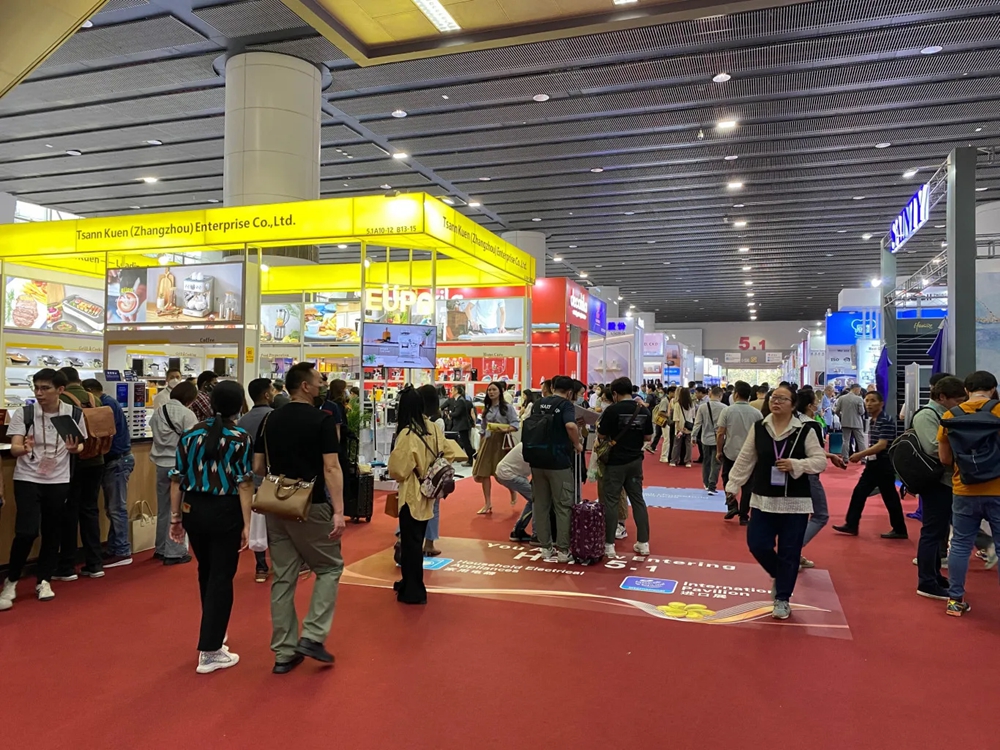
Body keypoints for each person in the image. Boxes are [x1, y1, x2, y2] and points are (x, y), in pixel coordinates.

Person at [253, 363, 345, 673]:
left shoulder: (270, 419)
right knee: (330, 567)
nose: (322, 384)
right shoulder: (322, 420)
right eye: (319, 380)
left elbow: (258, 466)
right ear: (305, 386)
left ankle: (284, 651)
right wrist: (339, 511)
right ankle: (314, 636)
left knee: (283, 576)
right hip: (310, 503)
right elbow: (331, 467)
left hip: (276, 505)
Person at [169, 380, 253, 673]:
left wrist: (175, 517)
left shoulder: (190, 435)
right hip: (225, 510)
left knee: (206, 571)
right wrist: (248, 523)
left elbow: (176, 478)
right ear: (239, 406)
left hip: (193, 508)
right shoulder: (240, 438)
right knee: (222, 575)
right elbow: (244, 483)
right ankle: (211, 648)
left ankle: (215, 629)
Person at [725, 384, 827, 620]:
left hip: (796, 502)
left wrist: (796, 465)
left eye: (782, 398)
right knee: (757, 544)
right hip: (763, 499)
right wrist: (732, 485)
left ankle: (782, 597)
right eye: (773, 397)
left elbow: (820, 461)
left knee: (790, 551)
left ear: (793, 404)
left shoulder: (806, 429)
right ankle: (780, 575)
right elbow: (746, 458)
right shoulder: (760, 427)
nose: (776, 401)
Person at [0, 369, 87, 608]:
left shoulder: (74, 413)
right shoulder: (25, 413)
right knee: (26, 531)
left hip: (58, 479)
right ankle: (11, 580)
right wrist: (23, 448)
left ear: (60, 390)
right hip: (27, 477)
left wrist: (75, 449)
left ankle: (44, 580)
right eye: (36, 387)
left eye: (45, 388)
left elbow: (80, 445)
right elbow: (15, 447)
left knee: (52, 531)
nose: (39, 393)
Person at [388, 387, 460, 604]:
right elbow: (449, 453)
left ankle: (414, 590)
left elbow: (398, 470)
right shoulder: (433, 428)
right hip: (429, 490)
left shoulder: (407, 433)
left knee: (410, 545)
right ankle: (409, 583)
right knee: (416, 541)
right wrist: (431, 470)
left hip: (411, 494)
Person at [938, 371, 1000, 616]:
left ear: (966, 390)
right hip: (997, 489)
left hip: (964, 488)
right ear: (993, 389)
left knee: (961, 545)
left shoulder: (950, 416)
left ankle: (955, 600)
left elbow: (944, 458)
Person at [910, 376, 966, 600]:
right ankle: (926, 581)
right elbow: (933, 448)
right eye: (957, 400)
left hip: (944, 480)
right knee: (932, 533)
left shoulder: (943, 414)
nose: (960, 405)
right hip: (935, 482)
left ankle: (934, 575)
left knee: (939, 531)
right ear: (942, 397)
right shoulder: (927, 415)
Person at [52, 367, 108, 580]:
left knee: (69, 512)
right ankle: (94, 563)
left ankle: (67, 565)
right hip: (97, 460)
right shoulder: (95, 399)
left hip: (72, 462)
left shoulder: (63, 400)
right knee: (90, 510)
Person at [833, 390, 907, 538]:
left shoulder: (885, 420)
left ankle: (899, 529)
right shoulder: (874, 420)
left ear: (881, 403)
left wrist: (860, 454)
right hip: (874, 464)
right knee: (864, 493)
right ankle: (852, 524)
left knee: (887, 496)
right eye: (867, 400)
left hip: (883, 464)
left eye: (873, 401)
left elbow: (881, 445)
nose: (869, 404)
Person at [526, 375, 582, 563]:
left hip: (536, 460)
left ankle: (546, 548)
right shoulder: (566, 405)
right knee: (563, 506)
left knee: (541, 505)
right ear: (570, 392)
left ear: (552, 387)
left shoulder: (538, 403)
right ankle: (563, 551)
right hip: (558, 461)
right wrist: (577, 444)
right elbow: (570, 425)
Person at [83, 378, 136, 571]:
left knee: (116, 508)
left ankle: (122, 550)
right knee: (113, 507)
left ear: (89, 390)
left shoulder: (105, 406)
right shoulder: (109, 402)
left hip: (117, 461)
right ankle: (115, 547)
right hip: (118, 460)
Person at [597, 377, 653, 557]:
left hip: (614, 462)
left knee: (611, 501)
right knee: (638, 500)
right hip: (635, 461)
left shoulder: (612, 410)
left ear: (614, 394)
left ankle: (609, 545)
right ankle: (643, 543)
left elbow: (601, 434)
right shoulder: (643, 410)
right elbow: (648, 437)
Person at [794, 388, 847, 569]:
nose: (818, 405)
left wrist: (829, 455)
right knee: (820, 515)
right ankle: (792, 551)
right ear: (810, 406)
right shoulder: (813, 425)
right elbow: (814, 453)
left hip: (793, 474)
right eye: (816, 402)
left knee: (798, 516)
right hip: (809, 475)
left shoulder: (793, 422)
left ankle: (794, 553)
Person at [149, 380, 198, 566]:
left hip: (160, 464)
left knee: (163, 508)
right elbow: (193, 442)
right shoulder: (187, 414)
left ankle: (161, 548)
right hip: (179, 465)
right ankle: (175, 551)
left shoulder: (158, 411)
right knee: (178, 509)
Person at [237, 378, 275, 582]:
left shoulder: (243, 421)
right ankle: (281, 563)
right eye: (272, 390)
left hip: (249, 478)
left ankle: (260, 566)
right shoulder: (274, 417)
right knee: (276, 525)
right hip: (272, 478)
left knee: (257, 524)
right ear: (266, 394)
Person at [716, 381, 763, 525]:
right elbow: (761, 435)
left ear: (735, 394)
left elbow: (720, 433)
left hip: (730, 452)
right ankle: (744, 515)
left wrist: (718, 450)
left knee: (728, 479)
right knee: (748, 485)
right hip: (750, 455)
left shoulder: (727, 411)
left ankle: (732, 505)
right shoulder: (757, 413)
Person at [472, 382, 519, 514]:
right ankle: (487, 503)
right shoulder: (487, 408)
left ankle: (512, 490)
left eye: (494, 389)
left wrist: (505, 429)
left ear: (500, 391)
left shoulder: (507, 407)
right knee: (484, 473)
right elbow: (483, 428)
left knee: (501, 474)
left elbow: (515, 425)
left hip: (502, 442)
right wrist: (480, 446)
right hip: (487, 442)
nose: (491, 392)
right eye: (489, 390)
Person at [417, 384, 447, 557]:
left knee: (410, 507)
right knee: (433, 507)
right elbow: (444, 449)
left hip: (414, 473)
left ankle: (402, 538)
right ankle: (429, 543)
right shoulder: (436, 424)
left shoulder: (409, 425)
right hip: (432, 473)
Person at [693, 386, 727, 494]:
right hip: (719, 439)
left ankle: (706, 483)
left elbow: (697, 423)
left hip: (705, 439)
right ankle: (712, 485)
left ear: (710, 394)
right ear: (720, 395)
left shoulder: (702, 407)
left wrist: (693, 436)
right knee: (716, 463)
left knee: (706, 462)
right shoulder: (725, 408)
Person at [500, 443, 535, 543]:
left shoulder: (529, 442)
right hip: (509, 474)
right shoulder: (533, 445)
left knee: (534, 498)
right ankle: (522, 531)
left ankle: (518, 530)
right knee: (536, 499)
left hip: (507, 472)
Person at [443, 384, 476, 466]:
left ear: (457, 391)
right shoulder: (459, 400)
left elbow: (458, 413)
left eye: (452, 390)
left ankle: (471, 459)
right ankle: (472, 457)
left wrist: (450, 415)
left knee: (466, 443)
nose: (451, 392)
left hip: (463, 425)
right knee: (465, 442)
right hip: (462, 425)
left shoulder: (460, 401)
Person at [834, 384, 867, 460]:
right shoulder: (859, 399)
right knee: (860, 441)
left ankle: (845, 458)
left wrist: (841, 416)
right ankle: (863, 458)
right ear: (856, 389)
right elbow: (861, 412)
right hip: (857, 423)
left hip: (845, 422)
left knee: (845, 441)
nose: (859, 392)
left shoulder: (841, 398)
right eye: (859, 390)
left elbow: (837, 410)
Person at [670, 386, 696, 467]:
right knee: (688, 445)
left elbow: (676, 418)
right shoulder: (691, 404)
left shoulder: (677, 404)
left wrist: (679, 429)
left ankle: (674, 460)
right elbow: (693, 416)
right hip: (689, 426)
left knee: (676, 444)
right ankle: (688, 461)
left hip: (680, 426)